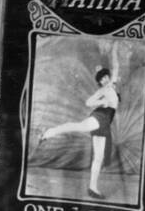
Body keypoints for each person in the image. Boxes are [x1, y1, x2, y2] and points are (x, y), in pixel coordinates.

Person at [40, 52, 120, 198]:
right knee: (78, 126)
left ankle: (93, 188)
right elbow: (88, 102)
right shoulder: (102, 90)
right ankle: (49, 132)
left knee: (98, 157)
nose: (104, 80)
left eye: (105, 77)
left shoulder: (112, 85)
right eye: (101, 79)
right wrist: (102, 102)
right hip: (100, 117)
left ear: (109, 77)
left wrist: (114, 50)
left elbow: (116, 66)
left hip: (105, 124)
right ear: (100, 83)